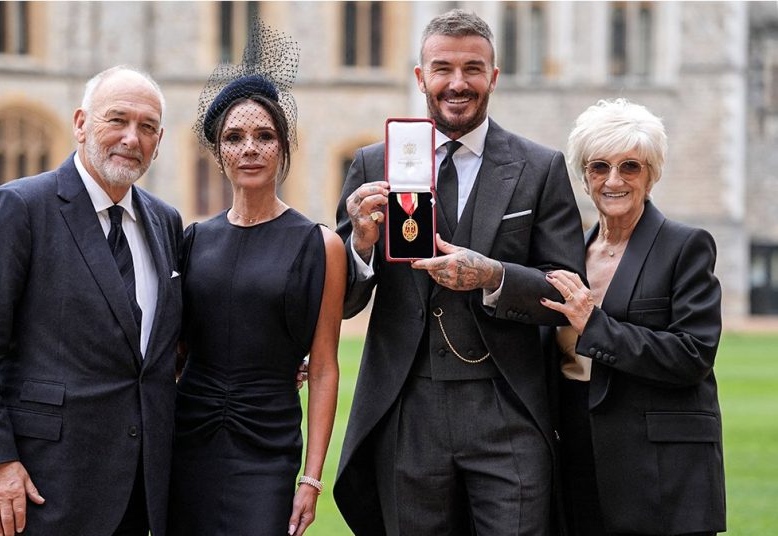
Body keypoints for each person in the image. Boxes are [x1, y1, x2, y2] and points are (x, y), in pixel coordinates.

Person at [334, 8, 586, 536]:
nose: (457, 83)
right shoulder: (373, 165)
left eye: (473, 68)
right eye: (442, 68)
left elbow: (564, 287)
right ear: (420, 76)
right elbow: (344, 302)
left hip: (507, 407)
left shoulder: (539, 168)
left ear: (493, 76)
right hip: (409, 408)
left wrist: (493, 277)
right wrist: (359, 242)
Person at [0, 66, 183, 536]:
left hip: (136, 496)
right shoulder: (17, 208)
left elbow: (162, 348)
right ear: (81, 123)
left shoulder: (165, 221)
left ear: (160, 139)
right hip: (31, 492)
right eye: (118, 120)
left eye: (147, 127)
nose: (132, 137)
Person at [168, 22, 345, 536]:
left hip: (268, 444)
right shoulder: (193, 239)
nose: (250, 148)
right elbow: (174, 349)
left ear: (283, 148)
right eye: (234, 137)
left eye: (264, 136)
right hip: (189, 437)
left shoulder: (320, 244)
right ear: (219, 152)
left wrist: (310, 480)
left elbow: (327, 367)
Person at [540, 98, 725, 536]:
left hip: (660, 468)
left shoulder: (685, 246)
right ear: (584, 178)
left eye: (630, 167)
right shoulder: (568, 254)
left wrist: (596, 325)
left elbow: (693, 355)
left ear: (651, 174)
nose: (613, 180)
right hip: (576, 451)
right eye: (599, 167)